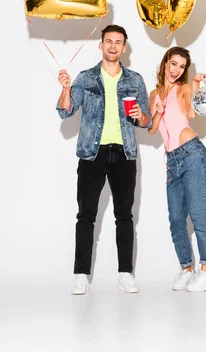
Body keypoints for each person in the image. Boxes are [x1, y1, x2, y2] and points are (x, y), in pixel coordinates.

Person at [57, 25, 151, 295]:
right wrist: (65, 88)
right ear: (101, 45)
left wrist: (139, 117)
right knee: (86, 215)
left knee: (124, 215)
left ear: (124, 48)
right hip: (92, 154)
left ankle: (126, 273)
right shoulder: (86, 78)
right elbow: (66, 111)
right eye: (108, 41)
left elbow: (145, 121)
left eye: (118, 42)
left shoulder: (134, 80)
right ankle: (81, 274)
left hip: (124, 154)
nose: (112, 46)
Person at [148, 46, 206, 292]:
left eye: (182, 66)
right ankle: (187, 268)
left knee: (198, 214)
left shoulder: (184, 89)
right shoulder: (153, 94)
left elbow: (192, 112)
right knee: (176, 218)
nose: (177, 70)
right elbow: (152, 129)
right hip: (171, 161)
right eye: (174, 64)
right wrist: (157, 113)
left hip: (192, 155)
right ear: (165, 62)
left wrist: (197, 86)